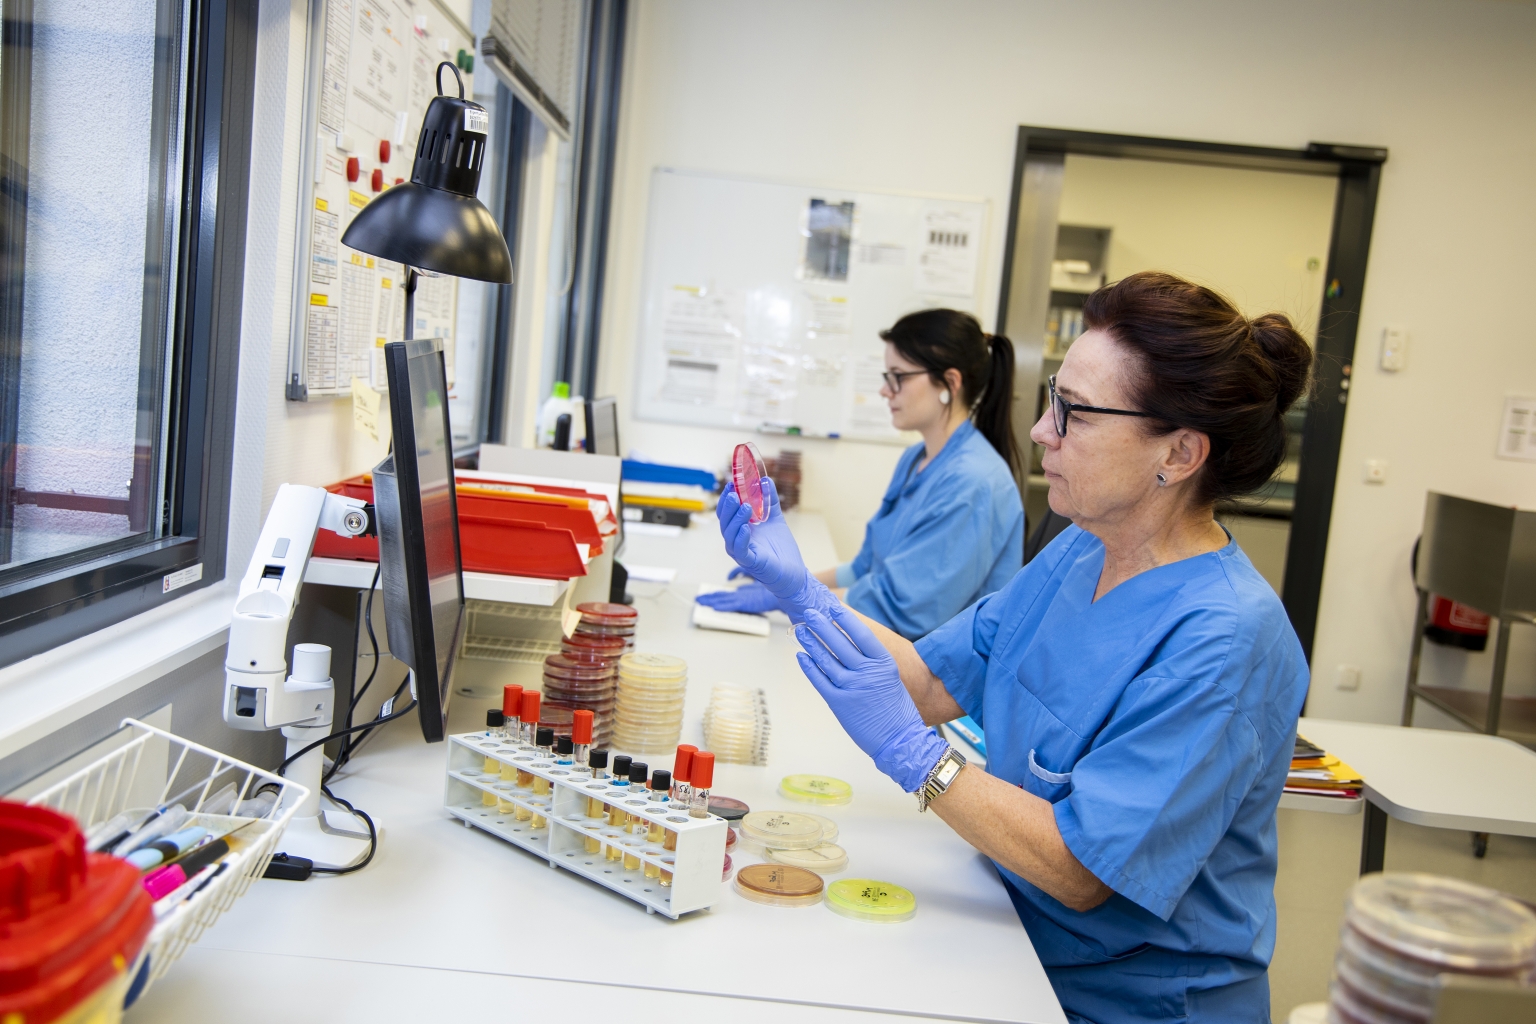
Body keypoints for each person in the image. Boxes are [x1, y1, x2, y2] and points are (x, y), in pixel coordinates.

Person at [717, 272, 1313, 1023]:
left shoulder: (1226, 639)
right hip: (1009, 930)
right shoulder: (1080, 550)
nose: (1040, 431)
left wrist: (920, 759)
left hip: (1125, 1001)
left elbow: (1080, 869)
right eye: (1053, 399)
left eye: (1075, 414)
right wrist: (801, 593)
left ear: (1181, 452)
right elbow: (927, 682)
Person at [698, 309, 1024, 639]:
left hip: (929, 661)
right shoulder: (916, 459)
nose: (885, 391)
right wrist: (791, 580)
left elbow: (900, 608)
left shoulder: (973, 482)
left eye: (898, 376)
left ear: (950, 383)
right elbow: (864, 568)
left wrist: (789, 595)